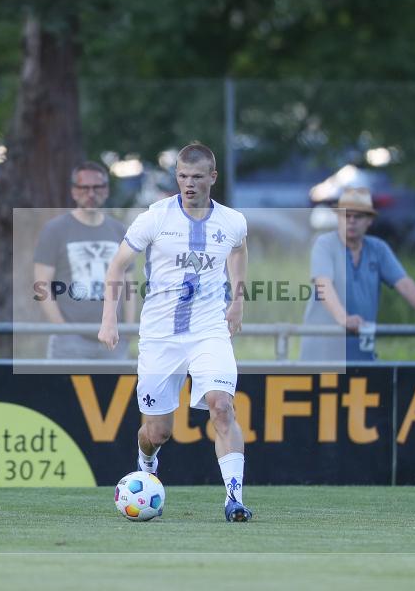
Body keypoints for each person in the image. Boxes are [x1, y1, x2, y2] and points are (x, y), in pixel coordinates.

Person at [98, 142, 253, 522]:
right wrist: (109, 319)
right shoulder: (154, 218)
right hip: (160, 337)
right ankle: (145, 461)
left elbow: (239, 250)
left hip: (208, 330)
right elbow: (117, 266)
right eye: (182, 176)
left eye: (197, 177)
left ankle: (234, 499)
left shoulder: (232, 221)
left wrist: (237, 301)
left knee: (222, 405)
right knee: (157, 431)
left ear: (212, 178)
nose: (188, 184)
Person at [300, 187, 415, 361]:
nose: (351, 221)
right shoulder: (325, 244)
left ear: (369, 220)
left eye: (358, 216)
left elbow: (404, 284)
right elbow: (323, 284)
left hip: (360, 350)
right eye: (346, 215)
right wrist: (344, 318)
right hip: (322, 352)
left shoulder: (378, 248)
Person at [33, 161, 135, 359]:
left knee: (114, 391)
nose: (90, 194)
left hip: (113, 340)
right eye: (84, 188)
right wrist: (63, 330)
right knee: (65, 391)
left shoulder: (119, 230)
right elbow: (41, 285)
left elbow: (128, 283)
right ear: (73, 191)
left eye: (97, 187)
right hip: (71, 342)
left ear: (106, 191)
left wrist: (128, 329)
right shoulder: (55, 230)